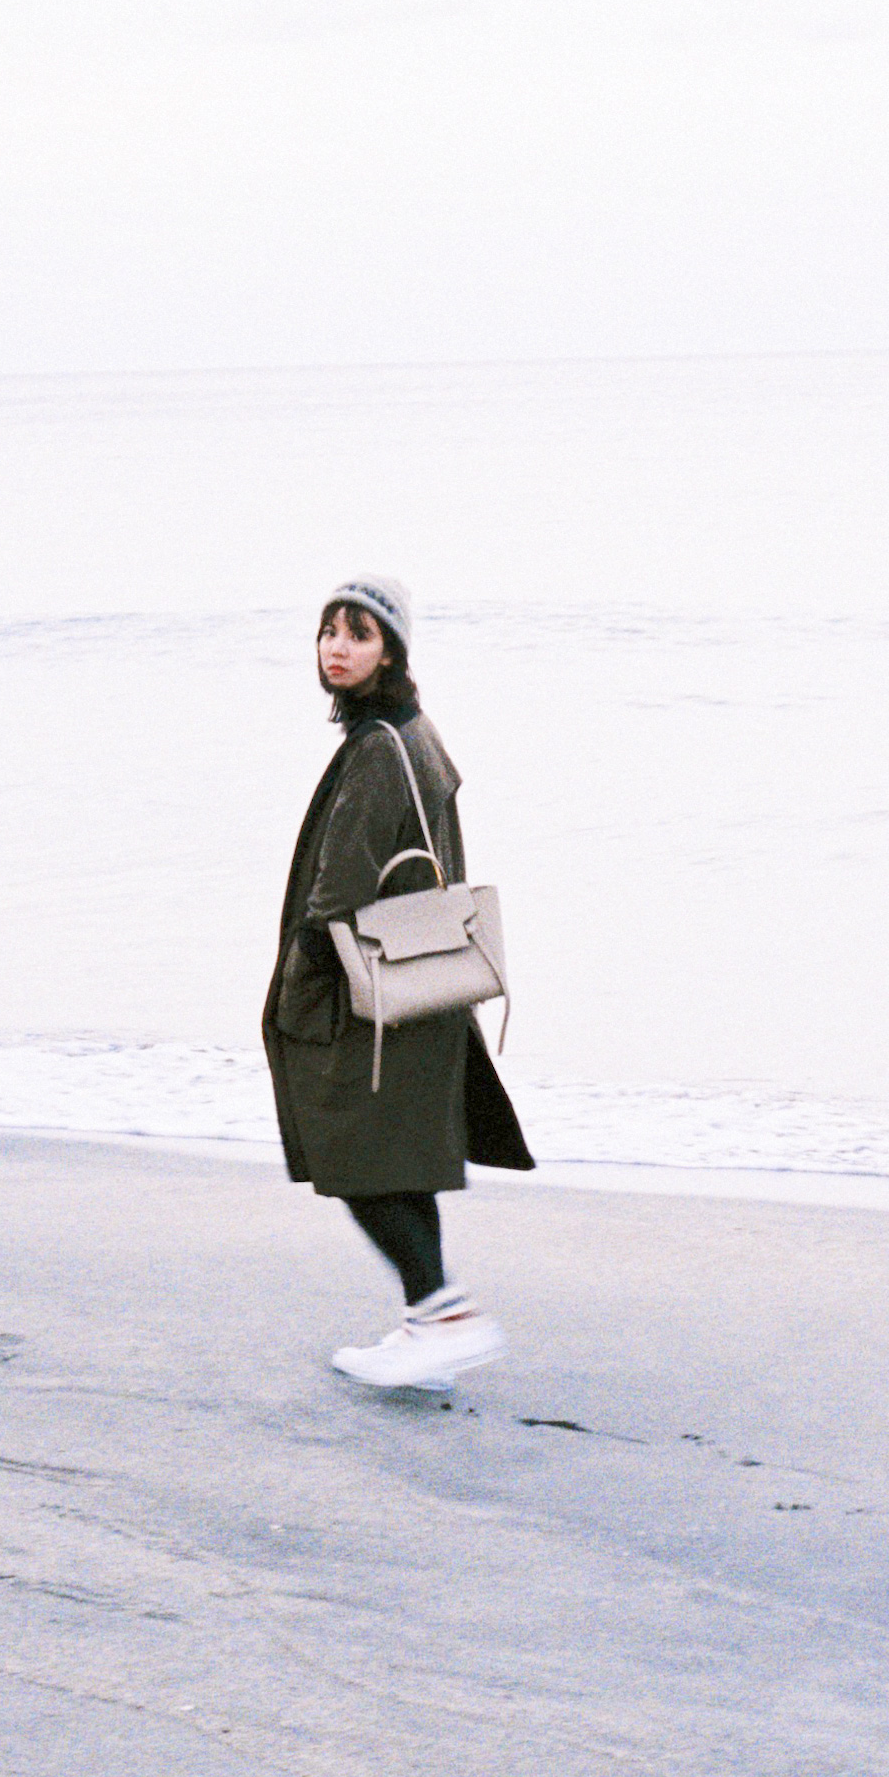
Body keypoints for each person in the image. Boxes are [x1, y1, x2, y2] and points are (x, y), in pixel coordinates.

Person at [263, 573, 533, 1387]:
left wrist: (301, 978)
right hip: (420, 987)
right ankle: (428, 1322)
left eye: (359, 633)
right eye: (328, 631)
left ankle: (446, 1314)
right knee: (397, 1161)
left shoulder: (380, 748)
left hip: (372, 992)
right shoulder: (411, 730)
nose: (336, 647)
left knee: (354, 1157)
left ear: (391, 651)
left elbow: (338, 889)